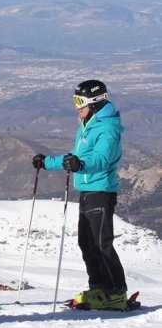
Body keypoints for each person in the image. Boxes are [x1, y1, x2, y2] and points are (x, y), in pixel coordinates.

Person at [32, 80, 127, 310]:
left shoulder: (107, 128)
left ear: (94, 102)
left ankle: (115, 293)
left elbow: (101, 160)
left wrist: (80, 164)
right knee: (86, 243)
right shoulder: (87, 125)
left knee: (100, 243)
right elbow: (74, 157)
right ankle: (98, 288)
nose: (76, 106)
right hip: (86, 190)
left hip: (101, 190)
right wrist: (47, 163)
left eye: (79, 101)